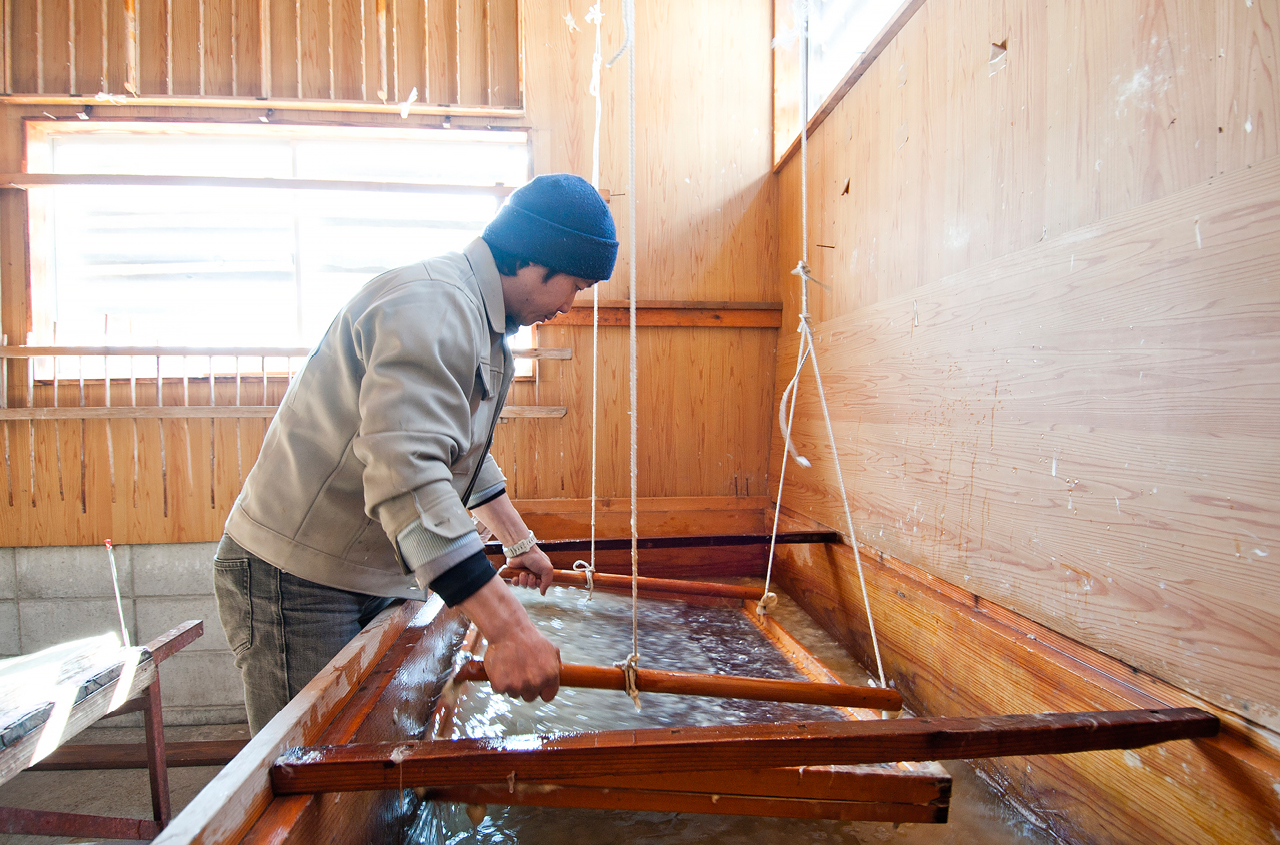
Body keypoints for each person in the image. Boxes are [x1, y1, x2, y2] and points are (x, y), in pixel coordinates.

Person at [213, 174, 618, 733]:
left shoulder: (480, 321)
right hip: (297, 576)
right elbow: (409, 476)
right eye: (574, 284)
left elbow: (453, 452)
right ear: (534, 260)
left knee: (366, 756)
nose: (570, 305)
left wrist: (516, 540)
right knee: (313, 771)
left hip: (363, 571)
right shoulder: (434, 306)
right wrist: (508, 628)